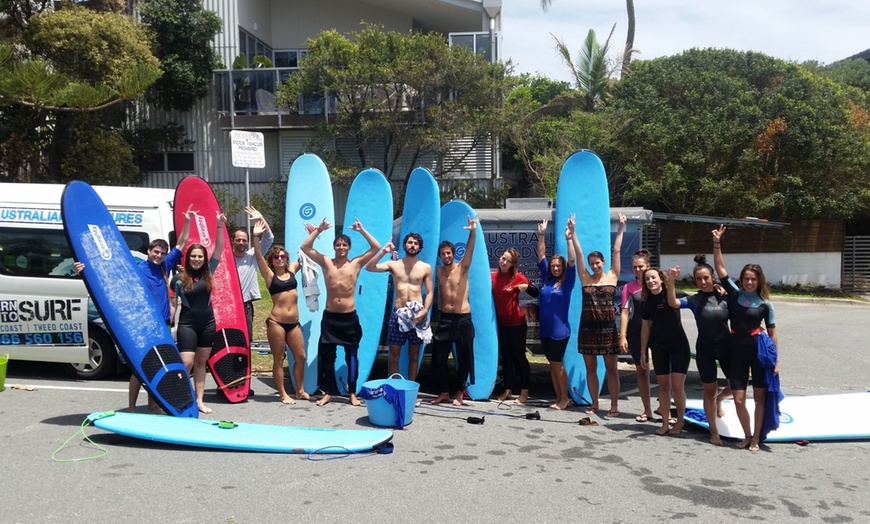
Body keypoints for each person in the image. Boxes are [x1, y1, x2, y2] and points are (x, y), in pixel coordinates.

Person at [73, 205, 193, 414]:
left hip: (163, 323)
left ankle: (153, 406)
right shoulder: (137, 269)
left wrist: (189, 221)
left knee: (158, 366)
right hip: (144, 325)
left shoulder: (165, 266)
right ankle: (131, 407)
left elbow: (181, 244)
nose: (159, 255)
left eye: (162, 253)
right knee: (140, 369)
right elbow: (108, 276)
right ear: (148, 251)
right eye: (156, 252)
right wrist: (82, 271)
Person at [712, 225, 778, 452]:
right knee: (739, 399)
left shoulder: (766, 305)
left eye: (753, 279)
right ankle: (747, 435)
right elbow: (720, 268)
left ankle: (756, 439)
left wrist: (776, 361)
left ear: (759, 281)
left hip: (758, 353)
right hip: (736, 352)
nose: (749, 282)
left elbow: (772, 334)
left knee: (759, 399)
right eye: (746, 279)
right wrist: (717, 242)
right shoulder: (735, 294)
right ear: (741, 280)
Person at [303, 217, 382, 406]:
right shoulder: (326, 262)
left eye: (344, 245)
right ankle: (329, 392)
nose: (341, 247)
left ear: (349, 247)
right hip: (330, 317)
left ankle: (352, 393)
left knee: (352, 356)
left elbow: (376, 247)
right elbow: (305, 247)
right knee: (328, 357)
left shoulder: (355, 263)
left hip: (349, 318)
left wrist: (362, 230)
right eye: (338, 244)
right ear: (334, 247)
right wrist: (319, 230)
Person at [568, 212, 626, 416]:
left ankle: (614, 405)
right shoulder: (585, 278)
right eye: (592, 264)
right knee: (590, 369)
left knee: (612, 370)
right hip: (588, 329)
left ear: (603, 262)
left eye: (597, 263)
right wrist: (573, 232)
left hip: (609, 329)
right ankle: (594, 403)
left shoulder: (612, 276)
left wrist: (621, 227)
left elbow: (617, 250)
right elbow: (579, 254)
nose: (594, 266)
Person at [676, 254, 733, 445]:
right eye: (699, 279)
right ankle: (713, 431)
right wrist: (669, 282)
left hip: (727, 347)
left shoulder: (725, 296)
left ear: (713, 278)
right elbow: (672, 303)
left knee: (736, 387)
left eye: (706, 278)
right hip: (705, 349)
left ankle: (720, 400)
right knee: (710, 389)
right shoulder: (693, 300)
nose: (703, 281)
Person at [174, 212, 227, 414]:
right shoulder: (179, 278)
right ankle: (177, 396)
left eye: (200, 256)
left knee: (201, 362)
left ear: (204, 259)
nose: (197, 259)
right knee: (186, 361)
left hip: (207, 323)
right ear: (188, 258)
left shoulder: (209, 271)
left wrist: (219, 226)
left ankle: (199, 401)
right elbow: (172, 303)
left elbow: (219, 249)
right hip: (187, 324)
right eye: (193, 256)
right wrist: (169, 319)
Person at [252, 220, 307, 404]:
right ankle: (283, 394)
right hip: (276, 322)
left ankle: (300, 390)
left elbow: (306, 253)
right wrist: (256, 236)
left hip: (294, 323)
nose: (280, 259)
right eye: (276, 257)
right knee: (278, 358)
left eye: (283, 256)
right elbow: (258, 256)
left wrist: (315, 233)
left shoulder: (292, 271)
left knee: (301, 356)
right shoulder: (270, 276)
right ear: (272, 261)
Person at [366, 232, 433, 385]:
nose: (412, 245)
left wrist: (424, 311)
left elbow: (429, 292)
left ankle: (411, 389)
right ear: (404, 245)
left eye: (416, 243)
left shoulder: (425, 267)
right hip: (398, 314)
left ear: (420, 247)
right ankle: (395, 388)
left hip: (418, 315)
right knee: (394, 355)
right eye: (410, 242)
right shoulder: (394, 265)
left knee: (414, 355)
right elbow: (369, 267)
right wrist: (384, 251)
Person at [431, 216, 479, 406]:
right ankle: (444, 391)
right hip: (445, 319)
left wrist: (473, 231)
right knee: (439, 358)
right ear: (440, 255)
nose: (446, 256)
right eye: (443, 253)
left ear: (453, 253)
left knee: (464, 357)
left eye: (449, 253)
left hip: (463, 319)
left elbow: (470, 250)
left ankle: (459, 392)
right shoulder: (438, 271)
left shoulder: (462, 268)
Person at [639, 266, 692, 436]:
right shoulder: (646, 301)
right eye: (647, 279)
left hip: (679, 346)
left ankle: (680, 422)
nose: (651, 281)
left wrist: (717, 289)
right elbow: (645, 327)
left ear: (661, 278)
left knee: (677, 386)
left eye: (653, 277)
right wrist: (642, 351)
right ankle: (665, 422)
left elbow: (699, 297)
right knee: (663, 385)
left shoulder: (672, 292)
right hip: (659, 347)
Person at [536, 219, 576, 410]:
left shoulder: (567, 282)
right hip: (545, 330)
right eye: (553, 265)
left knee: (558, 364)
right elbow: (541, 255)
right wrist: (542, 234)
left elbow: (572, 261)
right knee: (552, 364)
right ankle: (558, 397)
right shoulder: (547, 279)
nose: (556, 268)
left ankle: (564, 398)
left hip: (559, 331)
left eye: (559, 266)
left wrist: (569, 239)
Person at [491, 247, 534, 404]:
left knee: (519, 358)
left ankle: (524, 392)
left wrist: (527, 287)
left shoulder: (517, 277)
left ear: (512, 264)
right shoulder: (493, 277)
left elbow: (536, 292)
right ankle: (508, 390)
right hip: (502, 325)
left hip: (517, 324)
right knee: (507, 358)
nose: (504, 262)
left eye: (507, 260)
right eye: (503, 258)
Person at [619, 249, 655, 423]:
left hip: (658, 332)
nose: (638, 270)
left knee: (665, 374)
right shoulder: (628, 287)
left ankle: (666, 409)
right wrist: (622, 336)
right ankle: (647, 410)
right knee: (642, 372)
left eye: (641, 266)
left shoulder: (657, 283)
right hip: (636, 332)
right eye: (635, 267)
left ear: (648, 266)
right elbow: (624, 312)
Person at [232, 206, 274, 347]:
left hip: (245, 305)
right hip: (229, 305)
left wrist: (261, 218)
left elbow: (269, 238)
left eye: (244, 240)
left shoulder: (253, 256)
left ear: (248, 242)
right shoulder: (226, 258)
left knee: (245, 341)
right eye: (238, 240)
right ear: (233, 241)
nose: (241, 243)